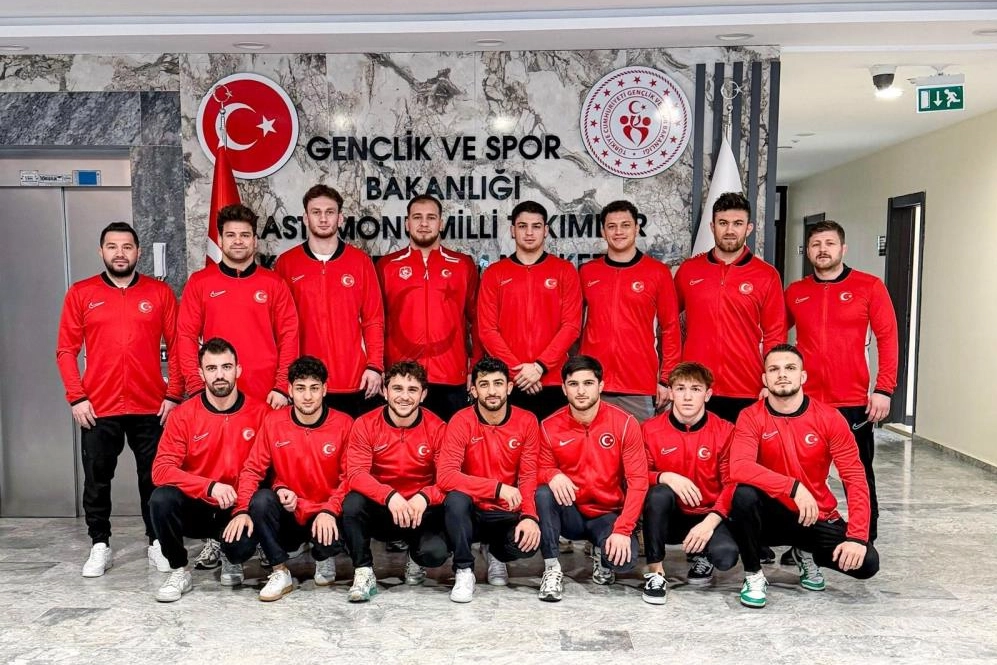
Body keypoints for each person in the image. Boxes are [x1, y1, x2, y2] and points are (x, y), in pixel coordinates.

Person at [56, 222, 183, 578]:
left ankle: (157, 542)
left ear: (138, 251)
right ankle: (100, 544)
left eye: (127, 246)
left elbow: (178, 346)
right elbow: (66, 350)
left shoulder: (159, 293)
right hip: (98, 406)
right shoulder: (81, 293)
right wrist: (77, 397)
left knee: (154, 478)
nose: (120, 253)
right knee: (97, 480)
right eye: (112, 246)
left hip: (151, 406)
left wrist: (174, 394)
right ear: (101, 251)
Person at [726, 344, 879, 609]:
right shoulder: (750, 416)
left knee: (867, 563)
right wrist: (793, 487)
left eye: (790, 368)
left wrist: (857, 537)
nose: (782, 374)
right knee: (743, 495)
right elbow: (739, 467)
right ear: (764, 379)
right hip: (769, 517)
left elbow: (854, 477)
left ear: (803, 376)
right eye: (774, 369)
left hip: (814, 515)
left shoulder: (829, 418)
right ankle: (753, 575)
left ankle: (805, 552)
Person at [785, 220, 898, 543]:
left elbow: (888, 338)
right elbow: (776, 334)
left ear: (842, 249)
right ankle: (804, 541)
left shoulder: (869, 286)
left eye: (830, 243)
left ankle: (865, 538)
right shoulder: (796, 292)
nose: (823, 250)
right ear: (808, 251)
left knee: (857, 473)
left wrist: (884, 388)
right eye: (816, 244)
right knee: (804, 473)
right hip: (805, 400)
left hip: (852, 399)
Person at [223, 355, 353, 602]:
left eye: (314, 388)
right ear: (290, 390)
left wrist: (329, 509)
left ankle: (324, 556)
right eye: (300, 388)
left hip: (326, 514)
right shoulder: (274, 422)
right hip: (290, 513)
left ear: (325, 390)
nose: (308, 396)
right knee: (258, 506)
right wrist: (241, 510)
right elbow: (252, 470)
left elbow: (350, 477)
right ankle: (280, 571)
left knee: (349, 510)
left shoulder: (344, 424)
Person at [148, 338, 268, 602]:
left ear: (238, 370)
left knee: (243, 540)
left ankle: (231, 557)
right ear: (201, 373)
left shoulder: (261, 413)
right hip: (199, 506)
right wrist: (209, 486)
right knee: (161, 498)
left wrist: (244, 506)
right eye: (212, 368)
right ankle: (180, 570)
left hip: (239, 507)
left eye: (226, 367)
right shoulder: (183, 415)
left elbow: (271, 470)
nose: (219, 375)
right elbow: (161, 470)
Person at [535, 355, 648, 602]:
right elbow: (535, 469)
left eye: (588, 383)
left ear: (601, 386)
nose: (581, 391)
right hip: (571, 512)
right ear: (564, 389)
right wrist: (552, 474)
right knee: (543, 492)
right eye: (573, 384)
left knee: (624, 562)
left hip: (607, 514)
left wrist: (623, 529)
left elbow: (638, 481)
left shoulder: (625, 423)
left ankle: (601, 551)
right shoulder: (548, 426)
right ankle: (552, 568)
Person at [341, 361, 450, 602]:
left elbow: (447, 478)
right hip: (383, 509)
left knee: (434, 554)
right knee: (352, 503)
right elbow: (356, 474)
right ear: (385, 391)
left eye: (412, 390)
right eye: (397, 388)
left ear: (423, 395)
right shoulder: (365, 424)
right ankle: (364, 571)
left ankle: (416, 557)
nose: (404, 397)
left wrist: (425, 496)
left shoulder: (438, 428)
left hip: (420, 511)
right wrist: (389, 496)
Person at [675, 192, 786, 424]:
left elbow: (775, 333)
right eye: (723, 223)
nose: (729, 230)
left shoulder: (766, 275)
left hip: (746, 386)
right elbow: (669, 325)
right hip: (695, 386)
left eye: (737, 223)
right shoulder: (688, 270)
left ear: (749, 228)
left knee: (741, 448)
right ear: (712, 226)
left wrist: (772, 380)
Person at [437, 356, 542, 602]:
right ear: (473, 390)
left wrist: (529, 516)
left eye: (498, 383)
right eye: (484, 385)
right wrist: (496, 488)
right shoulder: (461, 420)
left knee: (527, 543)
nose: (492, 391)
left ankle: (496, 553)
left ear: (509, 387)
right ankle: (464, 570)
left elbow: (528, 475)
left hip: (506, 511)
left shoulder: (527, 421)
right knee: (455, 499)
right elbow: (446, 475)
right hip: (472, 510)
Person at [274, 185, 385, 417]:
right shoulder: (287, 264)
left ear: (340, 218)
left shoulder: (360, 262)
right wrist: (284, 378)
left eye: (330, 212)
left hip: (354, 380)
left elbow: (373, 319)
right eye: (316, 212)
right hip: (306, 383)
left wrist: (375, 366)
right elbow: (280, 327)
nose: (323, 218)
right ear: (305, 218)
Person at [177, 203, 298, 407]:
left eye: (245, 235)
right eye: (231, 235)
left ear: (255, 241)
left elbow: (289, 336)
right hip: (217, 393)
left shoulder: (274, 284)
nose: (238, 241)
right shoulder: (199, 282)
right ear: (220, 240)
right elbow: (186, 336)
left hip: (267, 395)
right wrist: (196, 386)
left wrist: (281, 387)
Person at [639, 361, 739, 604]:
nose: (687, 397)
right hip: (669, 517)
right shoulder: (649, 429)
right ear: (671, 392)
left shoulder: (725, 431)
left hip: (708, 516)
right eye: (680, 388)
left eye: (695, 389)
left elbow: (732, 483)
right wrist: (664, 476)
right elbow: (635, 475)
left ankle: (705, 554)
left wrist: (710, 523)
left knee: (726, 557)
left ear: (708, 395)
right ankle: (655, 572)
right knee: (658, 493)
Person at [377, 194, 479, 420]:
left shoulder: (463, 265)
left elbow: (478, 320)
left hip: (450, 377)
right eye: (417, 217)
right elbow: (375, 322)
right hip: (401, 379)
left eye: (431, 218)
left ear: (441, 223)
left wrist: (475, 367)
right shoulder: (386, 266)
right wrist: (378, 367)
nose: (424, 223)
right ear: (407, 223)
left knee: (450, 441)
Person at [477, 201, 581, 419]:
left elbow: (571, 326)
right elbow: (487, 330)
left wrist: (540, 367)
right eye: (522, 226)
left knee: (553, 441)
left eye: (536, 226)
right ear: (512, 230)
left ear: (546, 230)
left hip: (553, 381)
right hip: (508, 382)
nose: (529, 232)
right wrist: (518, 371)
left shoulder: (564, 270)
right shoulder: (494, 273)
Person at [578, 200, 681, 422]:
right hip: (593, 384)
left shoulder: (658, 272)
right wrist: (577, 372)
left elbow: (671, 328)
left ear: (636, 228)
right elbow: (572, 327)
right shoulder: (587, 272)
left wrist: (666, 379)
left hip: (639, 385)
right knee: (591, 444)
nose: (618, 232)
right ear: (603, 232)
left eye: (625, 225)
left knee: (639, 444)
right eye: (611, 226)